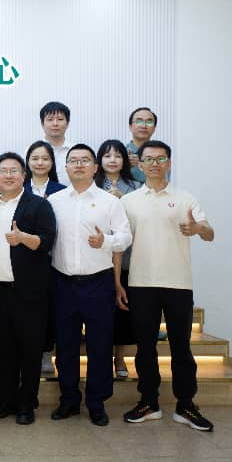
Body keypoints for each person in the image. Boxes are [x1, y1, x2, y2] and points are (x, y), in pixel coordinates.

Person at [121, 140, 216, 432]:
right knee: (145, 347)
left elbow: (209, 233)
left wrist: (197, 228)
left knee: (181, 347)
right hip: (141, 283)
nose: (154, 164)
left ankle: (186, 405)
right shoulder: (129, 202)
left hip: (178, 283)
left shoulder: (185, 198)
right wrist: (116, 283)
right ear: (140, 164)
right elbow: (119, 244)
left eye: (160, 159)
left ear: (169, 163)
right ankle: (149, 402)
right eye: (148, 159)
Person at [48, 144, 131, 427]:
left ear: (95, 167)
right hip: (63, 283)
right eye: (73, 161)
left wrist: (105, 241)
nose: (79, 165)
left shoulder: (110, 202)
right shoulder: (55, 201)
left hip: (99, 283)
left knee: (100, 345)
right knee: (66, 346)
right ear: (66, 168)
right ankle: (69, 400)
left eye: (85, 160)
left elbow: (125, 237)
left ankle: (96, 403)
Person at [0, 152, 57, 425]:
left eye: (14, 170)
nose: (8, 175)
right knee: (3, 350)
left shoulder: (39, 205)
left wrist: (24, 238)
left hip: (30, 292)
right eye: (3, 170)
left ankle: (27, 403)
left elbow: (47, 241)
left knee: (30, 349)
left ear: (23, 176)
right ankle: (6, 400)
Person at [94, 140, 142, 378]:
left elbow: (139, 222)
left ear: (125, 160)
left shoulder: (137, 187)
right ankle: (101, 359)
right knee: (101, 313)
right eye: (107, 155)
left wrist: (121, 201)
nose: (112, 160)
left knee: (122, 311)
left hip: (128, 258)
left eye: (117, 156)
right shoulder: (91, 185)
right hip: (98, 256)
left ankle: (120, 357)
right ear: (99, 160)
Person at [23, 140, 66, 373]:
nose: (40, 162)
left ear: (52, 162)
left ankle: (47, 352)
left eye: (45, 158)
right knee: (28, 309)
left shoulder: (62, 190)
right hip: (25, 259)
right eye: (35, 158)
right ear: (27, 162)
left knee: (50, 308)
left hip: (54, 258)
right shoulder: (19, 188)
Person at [40, 101, 72, 186]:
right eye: (50, 119)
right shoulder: (32, 151)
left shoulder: (75, 151)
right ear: (42, 124)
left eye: (60, 119)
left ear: (67, 123)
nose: (55, 124)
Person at [126, 107, 158, 183]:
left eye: (149, 122)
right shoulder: (119, 154)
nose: (144, 126)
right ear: (130, 126)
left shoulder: (160, 155)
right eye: (139, 121)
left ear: (154, 128)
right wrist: (124, 167)